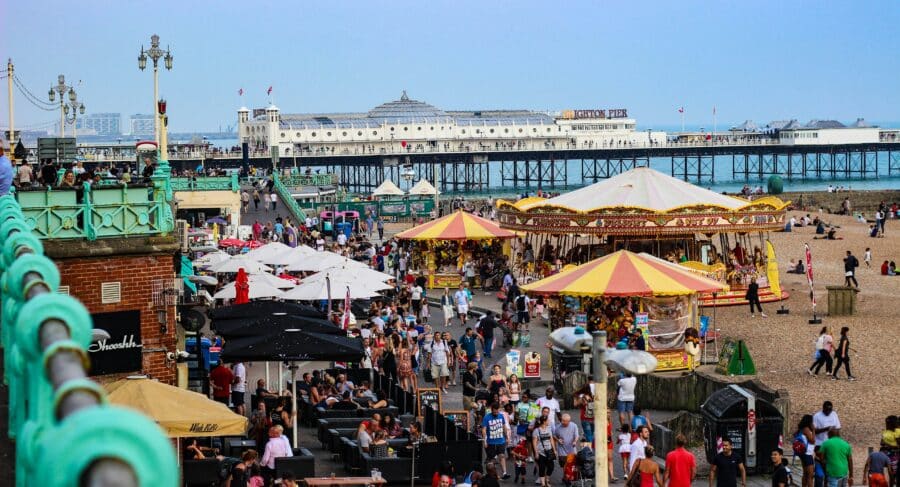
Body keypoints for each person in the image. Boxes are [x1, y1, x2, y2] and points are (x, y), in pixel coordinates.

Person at [482, 402, 511, 479]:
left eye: (497, 411)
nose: (496, 413)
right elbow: (484, 430)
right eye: (494, 411)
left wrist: (507, 437)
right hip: (491, 442)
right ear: (491, 410)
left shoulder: (501, 416)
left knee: (502, 456)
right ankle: (493, 475)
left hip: (501, 441)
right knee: (492, 460)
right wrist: (484, 441)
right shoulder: (486, 417)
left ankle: (504, 473)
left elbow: (504, 427)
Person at [531, 415, 557, 487]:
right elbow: (534, 442)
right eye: (548, 420)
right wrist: (536, 453)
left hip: (549, 451)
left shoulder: (549, 429)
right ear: (544, 422)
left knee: (551, 467)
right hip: (541, 452)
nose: (549, 421)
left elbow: (551, 439)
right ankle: (543, 484)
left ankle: (547, 479)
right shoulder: (536, 430)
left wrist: (554, 450)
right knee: (542, 468)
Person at [795, 415, 817, 487]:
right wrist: (813, 430)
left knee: (805, 474)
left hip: (803, 454)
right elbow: (812, 441)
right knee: (810, 476)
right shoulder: (806, 429)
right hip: (807, 454)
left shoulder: (801, 429)